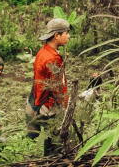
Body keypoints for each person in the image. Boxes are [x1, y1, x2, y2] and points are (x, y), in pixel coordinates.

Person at [26, 17, 70, 155]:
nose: (68, 36)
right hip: (49, 104)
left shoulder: (43, 51)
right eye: (66, 33)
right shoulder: (52, 58)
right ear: (57, 36)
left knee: (50, 140)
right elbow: (56, 87)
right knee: (55, 142)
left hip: (39, 100)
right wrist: (65, 105)